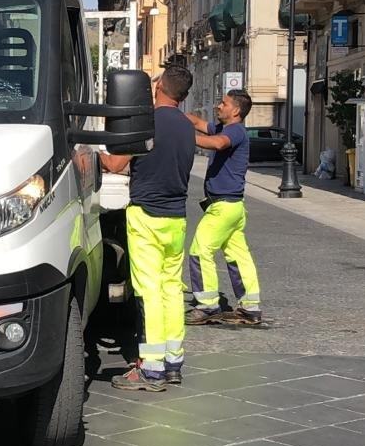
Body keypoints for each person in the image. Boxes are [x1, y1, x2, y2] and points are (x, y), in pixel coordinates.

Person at [99, 65, 196, 392]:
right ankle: (173, 362)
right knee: (171, 288)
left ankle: (151, 369)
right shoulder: (186, 126)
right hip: (177, 219)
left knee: (148, 291)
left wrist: (93, 154)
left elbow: (115, 164)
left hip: (146, 217)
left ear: (159, 87)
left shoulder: (147, 122)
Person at [186, 89, 262, 326]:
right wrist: (173, 116)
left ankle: (208, 305)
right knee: (238, 256)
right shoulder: (224, 128)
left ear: (236, 110)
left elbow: (217, 144)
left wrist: (182, 137)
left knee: (200, 251)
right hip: (233, 207)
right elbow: (198, 123)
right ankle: (250, 307)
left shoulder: (235, 131)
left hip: (224, 206)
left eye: (223, 103)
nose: (218, 106)